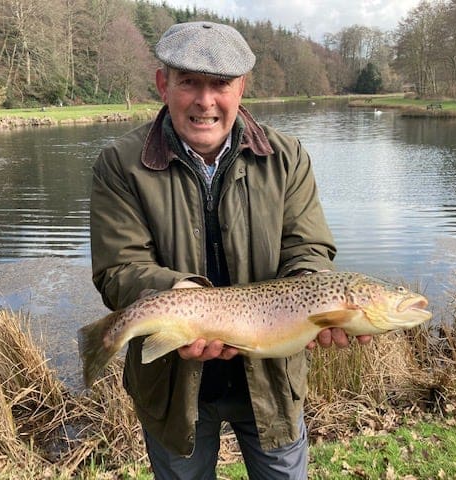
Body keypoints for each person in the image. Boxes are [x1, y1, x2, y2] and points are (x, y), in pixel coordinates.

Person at [89, 20, 371, 480]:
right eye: (189, 83)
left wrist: (312, 300)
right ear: (164, 85)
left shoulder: (287, 157)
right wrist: (185, 302)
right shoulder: (120, 164)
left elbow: (309, 249)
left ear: (242, 87)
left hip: (271, 379)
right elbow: (119, 270)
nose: (205, 101)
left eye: (220, 84)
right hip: (172, 387)